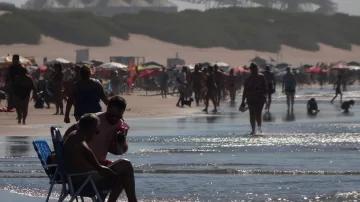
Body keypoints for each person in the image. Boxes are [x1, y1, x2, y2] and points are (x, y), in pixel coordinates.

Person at [64, 113, 137, 202]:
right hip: (85, 184)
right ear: (91, 129)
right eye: (97, 131)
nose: (96, 134)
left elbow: (88, 164)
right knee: (125, 165)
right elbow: (100, 169)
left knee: (122, 172)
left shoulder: (72, 136)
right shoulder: (82, 145)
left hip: (77, 181)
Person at [240, 63, 267, 135]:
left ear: (257, 69)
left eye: (254, 69)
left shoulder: (261, 77)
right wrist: (242, 101)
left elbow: (265, 89)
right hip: (250, 98)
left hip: (260, 98)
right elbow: (245, 91)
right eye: (251, 69)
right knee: (252, 114)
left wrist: (261, 92)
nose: (253, 71)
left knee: (258, 114)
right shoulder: (247, 79)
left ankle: (259, 128)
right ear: (250, 70)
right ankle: (253, 130)